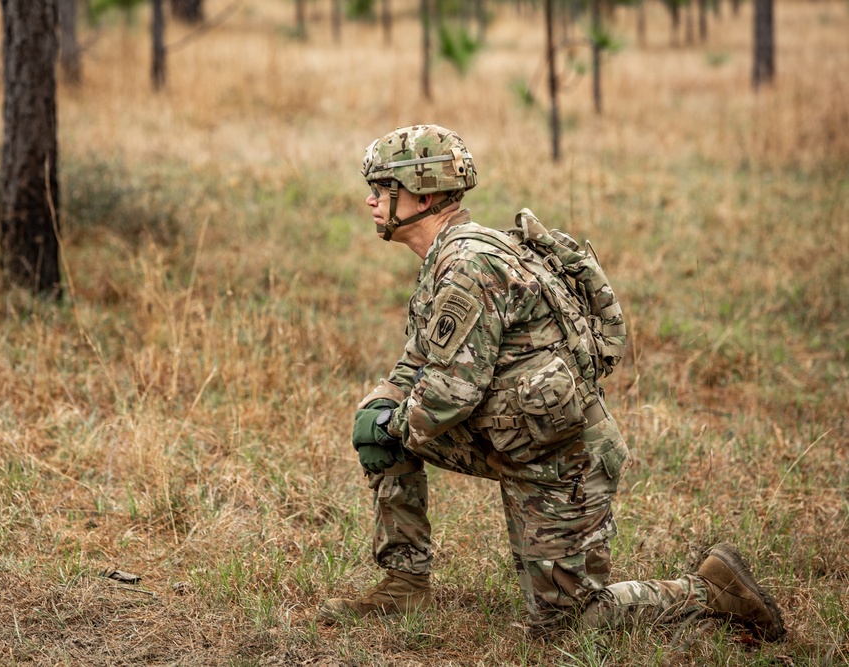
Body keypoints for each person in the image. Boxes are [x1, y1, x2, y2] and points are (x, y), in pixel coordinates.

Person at [318, 124, 785, 640]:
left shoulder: (468, 266)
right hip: (519, 442)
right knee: (376, 419)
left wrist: (398, 425)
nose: (370, 201)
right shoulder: (449, 258)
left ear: (423, 194)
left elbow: (447, 397)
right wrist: (385, 413)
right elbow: (417, 364)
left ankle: (712, 590)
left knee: (566, 624)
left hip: (563, 461)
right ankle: (405, 583)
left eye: (383, 189)